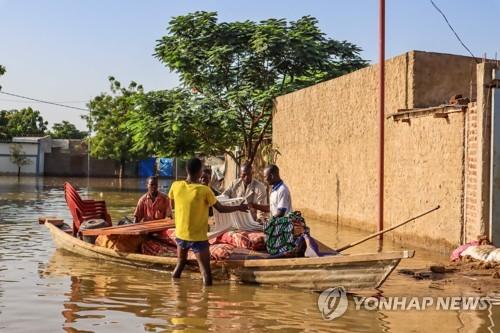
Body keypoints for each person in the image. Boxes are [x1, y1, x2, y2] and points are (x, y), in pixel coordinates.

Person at [168, 157, 248, 285]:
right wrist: (239, 207)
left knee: (180, 264)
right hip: (198, 238)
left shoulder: (175, 186)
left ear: (187, 170)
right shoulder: (205, 190)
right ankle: (206, 302)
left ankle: (175, 293)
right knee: (206, 273)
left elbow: (172, 205)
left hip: (181, 235)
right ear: (200, 172)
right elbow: (220, 209)